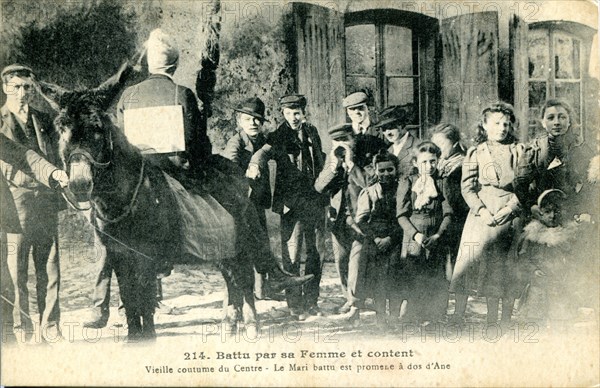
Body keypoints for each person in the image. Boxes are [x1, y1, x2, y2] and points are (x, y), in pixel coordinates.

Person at [247, 94, 327, 319]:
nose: (294, 117)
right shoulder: (278, 135)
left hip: (313, 202)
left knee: (315, 254)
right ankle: (295, 304)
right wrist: (254, 165)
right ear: (283, 114)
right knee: (291, 255)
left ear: (304, 112)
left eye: (298, 112)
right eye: (289, 113)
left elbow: (319, 160)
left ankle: (312, 302)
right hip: (291, 206)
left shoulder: (312, 132)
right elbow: (262, 153)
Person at [0, 64, 64, 342]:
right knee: (17, 270)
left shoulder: (44, 119)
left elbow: (55, 156)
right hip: (15, 202)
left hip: (46, 201)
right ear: (5, 88)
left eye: (27, 87)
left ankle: (50, 326)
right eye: (16, 86)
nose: (23, 93)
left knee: (50, 267)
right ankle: (22, 328)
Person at [449, 102, 524, 327]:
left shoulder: (519, 150)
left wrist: (510, 208)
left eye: (506, 124)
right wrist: (481, 210)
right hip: (481, 216)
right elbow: (467, 187)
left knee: (504, 267)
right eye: (496, 123)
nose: (502, 128)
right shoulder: (476, 152)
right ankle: (458, 315)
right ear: (485, 125)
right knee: (470, 263)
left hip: (510, 213)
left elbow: (526, 186)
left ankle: (501, 319)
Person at [314, 123, 385, 321]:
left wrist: (352, 164)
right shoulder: (332, 161)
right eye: (337, 142)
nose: (342, 145)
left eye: (345, 140)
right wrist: (334, 167)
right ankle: (349, 298)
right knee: (341, 262)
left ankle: (355, 302)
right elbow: (319, 187)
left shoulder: (364, 160)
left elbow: (370, 184)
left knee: (356, 263)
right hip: (338, 221)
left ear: (353, 141)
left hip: (359, 220)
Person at [396, 142, 453, 325]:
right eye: (424, 162)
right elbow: (401, 215)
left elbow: (448, 213)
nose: (429, 166)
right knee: (413, 275)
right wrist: (416, 235)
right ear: (415, 162)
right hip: (414, 237)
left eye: (433, 162)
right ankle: (412, 315)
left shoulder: (442, 183)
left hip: (436, 237)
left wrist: (438, 235)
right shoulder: (408, 182)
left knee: (435, 277)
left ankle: (434, 317)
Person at [517, 189, 579, 331]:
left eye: (555, 212)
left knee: (559, 321)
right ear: (540, 213)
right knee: (536, 321)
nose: (552, 216)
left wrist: (566, 270)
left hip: (559, 285)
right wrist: (534, 270)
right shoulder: (532, 233)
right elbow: (523, 257)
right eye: (547, 212)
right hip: (538, 285)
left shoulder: (565, 234)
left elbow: (572, 258)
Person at [515, 99, 588, 218]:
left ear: (569, 121)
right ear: (543, 122)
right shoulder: (534, 150)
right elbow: (520, 184)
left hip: (574, 213)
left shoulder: (580, 148)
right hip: (542, 213)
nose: (557, 122)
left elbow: (591, 185)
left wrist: (583, 210)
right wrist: (531, 206)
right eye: (550, 118)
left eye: (562, 117)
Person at [354, 151, 402, 327]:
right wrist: (375, 238)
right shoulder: (369, 192)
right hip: (375, 242)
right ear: (375, 170)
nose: (386, 174)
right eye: (381, 170)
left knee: (396, 279)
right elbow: (361, 220)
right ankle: (380, 317)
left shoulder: (404, 189)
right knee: (379, 282)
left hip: (397, 239)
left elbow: (406, 216)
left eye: (390, 170)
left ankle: (395, 316)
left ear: (396, 169)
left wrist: (391, 237)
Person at [430, 124, 469, 282]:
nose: (437, 150)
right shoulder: (438, 164)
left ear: (454, 144)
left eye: (441, 145)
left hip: (457, 219)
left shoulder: (462, 164)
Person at [376, 104, 418, 177]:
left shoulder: (418, 146)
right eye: (384, 129)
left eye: (391, 127)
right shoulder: (389, 151)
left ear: (401, 125)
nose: (388, 133)